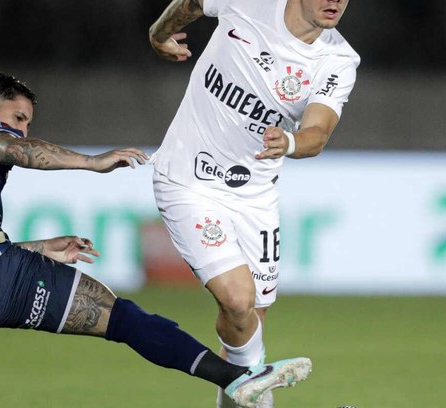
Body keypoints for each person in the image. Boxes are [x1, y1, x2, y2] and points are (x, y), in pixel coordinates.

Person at [0, 72, 311, 408]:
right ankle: (239, 378)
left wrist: (34, 248)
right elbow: (15, 150)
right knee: (124, 319)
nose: (21, 129)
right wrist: (92, 161)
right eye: (18, 118)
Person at [148, 0, 359, 407]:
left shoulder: (337, 59)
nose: (334, 2)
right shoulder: (250, 3)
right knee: (238, 299)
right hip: (188, 179)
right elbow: (192, 3)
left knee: (249, 325)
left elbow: (318, 130)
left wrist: (292, 141)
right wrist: (158, 33)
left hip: (256, 198)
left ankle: (249, 384)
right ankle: (256, 388)